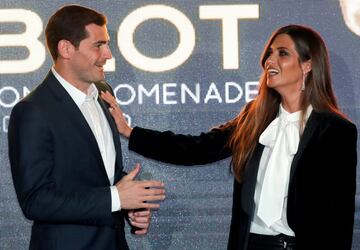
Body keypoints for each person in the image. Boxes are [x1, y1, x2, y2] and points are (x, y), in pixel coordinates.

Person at [101, 24, 358, 250]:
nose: (270, 61)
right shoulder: (254, 117)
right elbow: (196, 148)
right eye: (269, 53)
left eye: (282, 53)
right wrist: (129, 131)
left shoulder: (335, 131)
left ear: (307, 65)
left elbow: (340, 218)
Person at [7, 5, 166, 250]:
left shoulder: (104, 93)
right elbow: (36, 201)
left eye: (107, 44)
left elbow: (102, 174)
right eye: (98, 45)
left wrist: (131, 205)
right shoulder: (33, 111)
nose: (108, 54)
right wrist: (116, 197)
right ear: (66, 48)